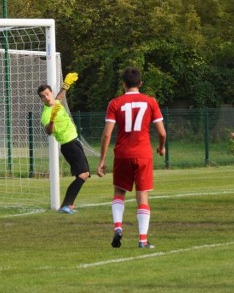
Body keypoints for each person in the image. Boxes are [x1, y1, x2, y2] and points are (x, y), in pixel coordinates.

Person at [97, 67, 166, 249]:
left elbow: (106, 135)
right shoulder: (150, 102)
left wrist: (102, 160)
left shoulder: (115, 103)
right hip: (143, 154)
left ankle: (118, 228)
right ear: (140, 84)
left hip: (122, 153)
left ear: (123, 84)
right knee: (142, 196)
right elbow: (162, 133)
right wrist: (161, 146)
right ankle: (142, 240)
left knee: (119, 192)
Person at [37, 72, 90, 214]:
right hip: (68, 145)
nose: (47, 98)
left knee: (84, 174)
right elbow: (48, 132)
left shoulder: (57, 101)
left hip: (75, 142)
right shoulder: (46, 114)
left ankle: (68, 205)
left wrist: (66, 85)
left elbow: (59, 97)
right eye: (43, 96)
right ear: (41, 99)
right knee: (83, 174)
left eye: (48, 94)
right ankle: (66, 205)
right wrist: (52, 120)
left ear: (51, 93)